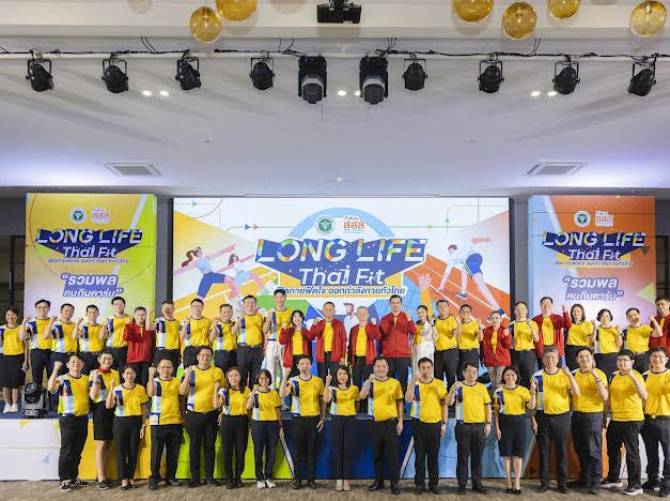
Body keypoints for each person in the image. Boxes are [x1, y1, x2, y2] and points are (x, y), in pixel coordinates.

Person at [531, 347, 580, 493]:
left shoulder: (565, 375)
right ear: (543, 359)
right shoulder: (537, 376)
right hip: (542, 417)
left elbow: (576, 393)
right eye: (547, 357)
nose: (550, 360)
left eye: (553, 357)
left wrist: (570, 375)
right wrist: (533, 419)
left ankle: (562, 484)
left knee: (562, 452)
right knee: (543, 451)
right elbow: (533, 401)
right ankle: (544, 483)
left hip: (562, 417)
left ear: (558, 359)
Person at [601, 349, 647, 496]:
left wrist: (632, 376)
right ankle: (614, 478)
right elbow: (609, 398)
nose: (622, 363)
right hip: (616, 418)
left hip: (632, 418)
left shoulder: (637, 376)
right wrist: (605, 416)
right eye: (619, 360)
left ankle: (635, 484)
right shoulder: (614, 376)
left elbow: (644, 395)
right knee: (612, 449)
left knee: (632, 452)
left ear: (631, 362)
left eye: (625, 360)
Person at [179, 345, 224, 487]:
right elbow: (182, 392)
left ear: (212, 358)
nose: (206, 357)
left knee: (210, 446)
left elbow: (223, 392)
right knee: (194, 447)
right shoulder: (190, 371)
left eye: (208, 355)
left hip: (211, 415)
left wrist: (222, 411)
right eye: (203, 355)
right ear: (198, 356)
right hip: (194, 415)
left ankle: (209, 477)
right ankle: (195, 478)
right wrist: (187, 375)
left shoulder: (217, 372)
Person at [359, 356, 404, 495]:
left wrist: (400, 421)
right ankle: (378, 481)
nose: (381, 369)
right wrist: (368, 381)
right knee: (377, 454)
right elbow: (361, 396)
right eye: (378, 366)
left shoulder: (395, 383)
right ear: (374, 368)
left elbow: (400, 402)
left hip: (390, 423)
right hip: (374, 423)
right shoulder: (369, 382)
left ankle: (394, 483)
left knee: (392, 455)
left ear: (388, 368)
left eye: (383, 366)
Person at [280, 355, 325, 489]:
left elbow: (322, 401)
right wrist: (285, 376)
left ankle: (311, 480)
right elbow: (282, 394)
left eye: (307, 363)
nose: (305, 366)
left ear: (311, 365)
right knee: (298, 451)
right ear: (298, 366)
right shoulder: (293, 381)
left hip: (313, 419)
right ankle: (298, 479)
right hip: (298, 420)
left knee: (312, 451)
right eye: (302, 364)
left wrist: (322, 418)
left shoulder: (318, 381)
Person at [47, 354, 90, 491]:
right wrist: (55, 369)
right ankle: (64, 479)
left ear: (82, 365)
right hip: (68, 419)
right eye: (73, 362)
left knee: (78, 450)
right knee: (67, 450)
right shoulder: (62, 378)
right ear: (67, 365)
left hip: (83, 418)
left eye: (78, 361)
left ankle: (73, 477)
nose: (76, 363)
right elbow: (51, 388)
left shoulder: (87, 379)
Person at [448, 362, 491, 494]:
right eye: (469, 372)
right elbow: (449, 402)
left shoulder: (481, 388)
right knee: (462, 457)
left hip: (479, 427)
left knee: (477, 457)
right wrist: (452, 390)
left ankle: (477, 484)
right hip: (463, 427)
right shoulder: (458, 386)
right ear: (463, 373)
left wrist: (488, 423)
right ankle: (462, 485)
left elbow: (487, 406)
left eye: (474, 372)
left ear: (477, 374)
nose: (471, 375)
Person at [570, 347, 608, 494]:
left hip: (593, 415)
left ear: (592, 358)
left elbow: (604, 397)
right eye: (581, 357)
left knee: (594, 450)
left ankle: (596, 481)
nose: (584, 359)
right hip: (577, 414)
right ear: (577, 360)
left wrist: (595, 375)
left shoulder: (599, 373)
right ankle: (585, 479)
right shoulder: (574, 374)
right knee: (580, 449)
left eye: (587, 356)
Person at [406, 357, 447, 495]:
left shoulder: (439, 383)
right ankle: (419, 484)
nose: (426, 370)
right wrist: (413, 381)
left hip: (435, 424)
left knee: (433, 456)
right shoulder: (415, 383)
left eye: (428, 367)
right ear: (419, 369)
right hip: (418, 424)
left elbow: (444, 404)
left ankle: (434, 484)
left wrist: (444, 423)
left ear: (432, 368)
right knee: (419, 456)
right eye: (423, 368)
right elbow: (408, 399)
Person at [494, 366, 535, 495]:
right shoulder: (498, 392)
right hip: (504, 422)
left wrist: (533, 393)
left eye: (513, 375)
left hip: (521, 422)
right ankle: (508, 481)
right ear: (503, 377)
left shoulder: (523, 390)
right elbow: (496, 412)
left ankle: (517, 482)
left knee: (518, 454)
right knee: (506, 454)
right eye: (507, 375)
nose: (510, 377)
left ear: (517, 377)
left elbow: (531, 407)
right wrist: (497, 427)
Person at [106, 364, 148, 490]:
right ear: (123, 375)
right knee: (121, 451)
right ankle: (124, 479)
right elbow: (109, 405)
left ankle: (131, 477)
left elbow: (144, 409)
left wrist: (143, 425)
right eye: (127, 373)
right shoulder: (117, 389)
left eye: (132, 373)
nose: (129, 375)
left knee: (133, 451)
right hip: (120, 422)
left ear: (135, 375)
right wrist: (111, 389)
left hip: (136, 422)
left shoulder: (140, 389)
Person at [147, 358, 183, 490]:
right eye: (163, 367)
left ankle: (171, 477)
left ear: (172, 369)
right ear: (158, 369)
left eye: (168, 367)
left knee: (173, 453)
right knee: (156, 452)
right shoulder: (154, 382)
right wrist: (151, 375)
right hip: (158, 422)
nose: (165, 369)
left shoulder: (177, 381)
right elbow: (150, 393)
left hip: (175, 421)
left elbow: (182, 394)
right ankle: (154, 478)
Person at [324, 365, 359, 492]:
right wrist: (327, 383)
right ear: (336, 376)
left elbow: (357, 403)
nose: (342, 376)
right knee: (337, 450)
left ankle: (347, 480)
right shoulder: (332, 388)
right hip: (336, 420)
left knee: (348, 450)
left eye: (344, 373)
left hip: (350, 420)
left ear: (348, 376)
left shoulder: (354, 388)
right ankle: (339, 479)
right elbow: (326, 399)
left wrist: (351, 412)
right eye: (339, 374)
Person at [640, 347, 670, 495]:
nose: (657, 359)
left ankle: (667, 483)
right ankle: (652, 479)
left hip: (666, 419)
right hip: (647, 419)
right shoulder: (644, 376)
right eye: (654, 357)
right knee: (651, 452)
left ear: (666, 359)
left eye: (660, 357)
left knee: (668, 454)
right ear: (650, 359)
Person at [215, 366, 250, 489]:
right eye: (231, 376)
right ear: (227, 378)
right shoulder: (224, 390)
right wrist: (215, 390)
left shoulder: (246, 390)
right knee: (227, 451)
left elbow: (249, 409)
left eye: (236, 375)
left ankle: (238, 478)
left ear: (240, 377)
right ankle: (229, 479)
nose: (234, 378)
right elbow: (217, 405)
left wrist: (250, 424)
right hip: (227, 422)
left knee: (241, 451)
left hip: (242, 422)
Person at [247, 368, 283, 489]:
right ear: (257, 380)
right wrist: (253, 391)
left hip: (272, 425)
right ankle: (259, 478)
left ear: (269, 380)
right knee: (258, 453)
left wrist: (280, 426)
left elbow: (278, 411)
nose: (264, 380)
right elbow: (248, 406)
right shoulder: (254, 393)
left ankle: (268, 477)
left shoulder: (274, 393)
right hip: (258, 425)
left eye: (266, 378)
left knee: (271, 452)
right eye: (261, 378)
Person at [88, 350, 119, 490]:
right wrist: (96, 379)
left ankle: (101, 474)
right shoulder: (94, 373)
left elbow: (117, 393)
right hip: (100, 409)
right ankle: (101, 478)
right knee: (101, 443)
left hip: (113, 408)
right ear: (99, 360)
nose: (107, 361)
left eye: (109, 359)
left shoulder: (116, 373)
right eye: (105, 358)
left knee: (108, 442)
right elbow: (93, 396)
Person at [379, 295, 417, 393]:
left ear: (401, 304)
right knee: (389, 381)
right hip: (388, 355)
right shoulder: (385, 319)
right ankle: (390, 401)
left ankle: (402, 402)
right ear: (390, 304)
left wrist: (409, 319)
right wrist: (381, 354)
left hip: (403, 355)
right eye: (393, 303)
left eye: (397, 303)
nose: (395, 305)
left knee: (403, 381)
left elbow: (413, 332)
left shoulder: (406, 317)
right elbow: (381, 338)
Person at [347, 306, 380, 412]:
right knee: (356, 383)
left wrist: (373, 325)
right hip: (356, 359)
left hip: (368, 359)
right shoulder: (354, 329)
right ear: (356, 315)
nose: (362, 315)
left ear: (368, 315)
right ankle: (357, 405)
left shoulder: (371, 326)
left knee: (368, 382)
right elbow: (350, 346)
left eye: (364, 313)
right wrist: (349, 360)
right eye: (359, 313)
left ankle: (366, 405)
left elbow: (376, 336)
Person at [233, 295, 265, 388]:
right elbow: (233, 331)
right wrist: (240, 318)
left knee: (255, 375)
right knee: (242, 374)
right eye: (247, 303)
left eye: (252, 303)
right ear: (243, 305)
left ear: (255, 304)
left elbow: (264, 333)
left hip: (257, 349)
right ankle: (242, 394)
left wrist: (264, 348)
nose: (250, 305)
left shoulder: (260, 316)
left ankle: (253, 395)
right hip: (243, 349)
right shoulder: (238, 316)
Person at [0, 306, 28, 413]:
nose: (10, 317)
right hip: (5, 357)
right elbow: (0, 344)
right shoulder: (2, 328)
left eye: (13, 314)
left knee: (16, 383)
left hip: (18, 357)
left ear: (17, 316)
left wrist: (26, 361)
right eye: (8, 315)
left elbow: (26, 346)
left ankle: (15, 404)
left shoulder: (22, 327)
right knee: (5, 383)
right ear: (5, 316)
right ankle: (7, 404)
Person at [263, 288, 291, 387]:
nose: (279, 299)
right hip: (272, 342)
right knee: (271, 370)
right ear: (274, 298)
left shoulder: (290, 312)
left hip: (285, 344)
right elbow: (265, 330)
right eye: (277, 297)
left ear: (285, 298)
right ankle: (272, 392)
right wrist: (268, 319)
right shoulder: (270, 311)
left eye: (282, 297)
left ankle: (283, 394)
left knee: (285, 370)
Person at [311, 301, 347, 381]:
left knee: (335, 379)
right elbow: (312, 336)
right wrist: (313, 325)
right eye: (326, 310)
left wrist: (342, 356)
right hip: (321, 356)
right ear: (323, 311)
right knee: (322, 380)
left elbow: (344, 341)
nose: (328, 312)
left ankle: (333, 389)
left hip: (335, 355)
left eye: (330, 310)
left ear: (334, 311)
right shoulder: (319, 324)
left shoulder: (339, 324)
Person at [532, 297, 571, 366]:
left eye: (548, 303)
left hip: (556, 348)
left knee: (557, 369)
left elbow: (568, 325)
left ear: (552, 305)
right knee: (543, 370)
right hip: (542, 349)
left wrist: (565, 312)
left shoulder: (557, 318)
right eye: (544, 303)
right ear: (540, 306)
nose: (546, 305)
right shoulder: (535, 320)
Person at [22, 299, 53, 386]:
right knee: (36, 379)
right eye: (39, 307)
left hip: (51, 352)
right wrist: (24, 322)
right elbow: (23, 338)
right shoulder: (30, 323)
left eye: (45, 307)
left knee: (52, 378)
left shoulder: (54, 322)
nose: (42, 309)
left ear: (49, 309)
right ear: (36, 309)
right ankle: (38, 395)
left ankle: (51, 395)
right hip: (36, 353)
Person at [509, 301, 539, 388]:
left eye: (522, 309)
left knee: (529, 376)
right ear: (515, 311)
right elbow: (509, 341)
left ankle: (529, 395)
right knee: (516, 376)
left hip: (528, 353)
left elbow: (536, 339)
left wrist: (530, 326)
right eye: (518, 309)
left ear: (526, 311)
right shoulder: (511, 324)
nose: (520, 311)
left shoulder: (532, 323)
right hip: (515, 353)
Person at [624, 308, 663, 373]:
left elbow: (659, 334)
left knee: (645, 376)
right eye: (630, 316)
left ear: (639, 315)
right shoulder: (626, 329)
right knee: (632, 377)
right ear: (627, 318)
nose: (633, 317)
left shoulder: (645, 328)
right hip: (630, 358)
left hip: (643, 357)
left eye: (635, 315)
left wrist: (654, 320)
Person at [123, 306, 155, 386]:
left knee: (144, 383)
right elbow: (126, 337)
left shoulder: (149, 327)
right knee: (134, 383)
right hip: (133, 360)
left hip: (146, 360)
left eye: (143, 315)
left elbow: (153, 344)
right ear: (134, 316)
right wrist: (127, 325)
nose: (140, 317)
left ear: (146, 316)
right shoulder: (130, 326)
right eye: (138, 315)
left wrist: (152, 359)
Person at [480, 310, 511, 390]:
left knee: (499, 382)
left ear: (500, 319)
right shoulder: (485, 331)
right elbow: (482, 346)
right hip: (490, 361)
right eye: (492, 318)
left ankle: (500, 397)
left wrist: (506, 336)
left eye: (497, 318)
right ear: (490, 320)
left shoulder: (504, 330)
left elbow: (507, 345)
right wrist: (482, 358)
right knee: (493, 382)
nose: (495, 320)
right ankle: (496, 397)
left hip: (502, 360)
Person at [433, 299, 459, 390]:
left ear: (448, 308)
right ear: (437, 308)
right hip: (438, 353)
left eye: (444, 306)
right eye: (440, 306)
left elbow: (456, 332)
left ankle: (451, 398)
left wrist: (455, 332)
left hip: (451, 352)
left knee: (451, 377)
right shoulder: (434, 321)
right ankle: (439, 397)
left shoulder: (453, 320)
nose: (442, 308)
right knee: (437, 378)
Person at [180, 298, 212, 369]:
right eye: (194, 306)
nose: (197, 308)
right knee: (189, 373)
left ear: (202, 307)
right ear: (191, 308)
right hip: (190, 351)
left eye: (199, 306)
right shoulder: (185, 321)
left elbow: (210, 338)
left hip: (203, 350)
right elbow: (181, 338)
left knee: (203, 372)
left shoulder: (208, 321)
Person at [591, 309, 623, 378]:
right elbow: (592, 343)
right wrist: (594, 329)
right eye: (602, 316)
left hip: (613, 357)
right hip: (599, 358)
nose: (605, 318)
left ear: (610, 317)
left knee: (614, 379)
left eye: (607, 316)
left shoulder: (615, 329)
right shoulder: (596, 329)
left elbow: (619, 344)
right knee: (601, 379)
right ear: (599, 318)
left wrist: (619, 332)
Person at [279, 310, 311, 378]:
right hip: (290, 359)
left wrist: (309, 359)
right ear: (292, 319)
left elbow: (310, 347)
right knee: (291, 380)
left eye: (299, 316)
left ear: (302, 318)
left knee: (302, 379)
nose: (297, 318)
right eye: (295, 316)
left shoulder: (306, 332)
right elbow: (282, 341)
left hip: (302, 359)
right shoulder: (289, 330)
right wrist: (283, 330)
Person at [48, 303, 78, 376]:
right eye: (66, 310)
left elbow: (77, 338)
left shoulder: (75, 325)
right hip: (58, 355)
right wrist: (51, 322)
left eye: (71, 311)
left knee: (71, 378)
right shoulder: (55, 324)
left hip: (72, 355)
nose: (69, 313)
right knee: (58, 378)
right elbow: (46, 336)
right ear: (61, 311)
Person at [103, 296, 131, 371]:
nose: (118, 306)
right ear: (112, 306)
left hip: (125, 350)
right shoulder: (109, 319)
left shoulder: (130, 319)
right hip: (110, 350)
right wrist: (104, 326)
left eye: (121, 304)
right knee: (110, 373)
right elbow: (104, 337)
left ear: (124, 305)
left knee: (124, 373)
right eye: (116, 304)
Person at [455, 304, 483, 378]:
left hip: (472, 353)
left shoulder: (475, 324)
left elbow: (480, 338)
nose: (465, 313)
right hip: (460, 353)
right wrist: (459, 325)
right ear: (460, 313)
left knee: (473, 376)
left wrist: (480, 326)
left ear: (470, 313)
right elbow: (457, 340)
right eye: (463, 312)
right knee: (460, 376)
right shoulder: (456, 324)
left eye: (467, 312)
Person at [154, 300, 181, 373]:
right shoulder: (158, 321)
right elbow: (148, 328)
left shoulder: (178, 323)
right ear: (162, 309)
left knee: (173, 375)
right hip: (161, 352)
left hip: (174, 353)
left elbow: (179, 339)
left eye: (170, 308)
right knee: (159, 375)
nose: (168, 310)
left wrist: (179, 354)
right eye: (166, 308)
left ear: (174, 309)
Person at [77, 304, 104, 375]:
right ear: (86, 314)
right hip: (85, 356)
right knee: (84, 377)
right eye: (90, 312)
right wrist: (78, 323)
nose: (92, 314)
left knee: (98, 377)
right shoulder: (82, 326)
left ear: (98, 314)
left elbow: (104, 338)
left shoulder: (102, 327)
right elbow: (76, 336)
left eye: (94, 312)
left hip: (99, 356)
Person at [565, 304, 593, 371]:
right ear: (571, 313)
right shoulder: (568, 324)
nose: (576, 313)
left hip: (583, 349)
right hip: (570, 350)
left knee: (584, 370)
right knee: (572, 371)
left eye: (578, 311)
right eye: (574, 311)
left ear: (582, 312)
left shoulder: (588, 324)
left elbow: (591, 341)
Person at [210, 303, 237, 374]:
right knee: (221, 375)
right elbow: (211, 339)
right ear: (220, 313)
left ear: (232, 312)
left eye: (229, 312)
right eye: (224, 312)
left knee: (233, 376)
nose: (227, 314)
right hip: (221, 354)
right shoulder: (217, 325)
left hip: (234, 353)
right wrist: (214, 325)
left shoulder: (234, 324)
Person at [412, 305, 436, 373]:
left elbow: (434, 338)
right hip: (417, 351)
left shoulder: (431, 324)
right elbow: (413, 339)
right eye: (419, 313)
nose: (421, 314)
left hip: (428, 352)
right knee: (418, 372)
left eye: (423, 312)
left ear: (426, 313)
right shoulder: (415, 325)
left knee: (428, 372)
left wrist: (432, 325)